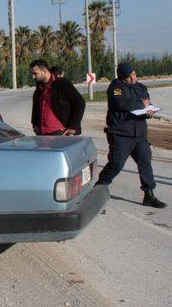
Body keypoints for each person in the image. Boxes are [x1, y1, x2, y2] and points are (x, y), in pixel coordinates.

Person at [96, 62, 166, 208]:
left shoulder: (141, 87)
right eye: (129, 77)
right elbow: (122, 104)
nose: (133, 79)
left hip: (139, 134)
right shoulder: (116, 87)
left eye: (134, 74)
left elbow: (147, 104)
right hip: (121, 134)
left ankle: (149, 195)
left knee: (145, 162)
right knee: (116, 163)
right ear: (122, 77)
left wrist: (149, 112)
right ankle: (98, 188)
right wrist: (142, 105)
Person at [30, 59, 85, 135]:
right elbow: (36, 107)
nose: (33, 77)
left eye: (35, 73)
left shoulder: (62, 83)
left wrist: (73, 126)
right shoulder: (39, 87)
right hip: (41, 134)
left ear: (44, 71)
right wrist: (35, 124)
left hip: (59, 132)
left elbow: (80, 102)